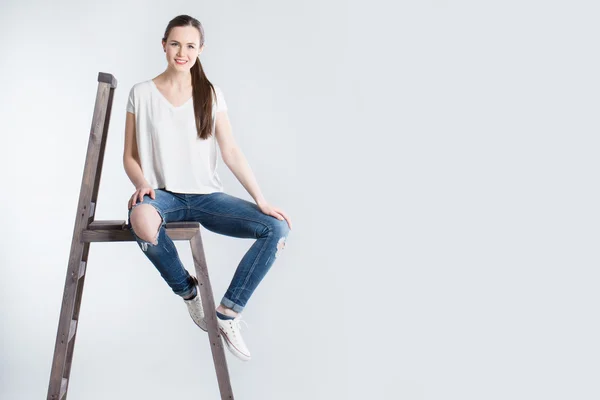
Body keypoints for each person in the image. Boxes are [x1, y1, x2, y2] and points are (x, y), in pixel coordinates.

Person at [122, 14, 292, 362]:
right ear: (163, 45)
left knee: (276, 228)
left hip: (208, 198)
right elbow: (129, 156)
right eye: (175, 44)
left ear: (200, 50)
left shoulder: (210, 93)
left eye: (189, 45)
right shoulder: (141, 93)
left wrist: (261, 200)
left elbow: (230, 151)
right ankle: (188, 290)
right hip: (163, 196)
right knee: (140, 220)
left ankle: (228, 313)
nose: (181, 52)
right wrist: (141, 183)